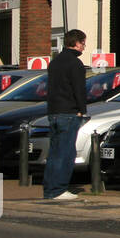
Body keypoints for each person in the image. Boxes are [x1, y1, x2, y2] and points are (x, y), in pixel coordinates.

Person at [43, 29, 88, 201]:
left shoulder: (55, 62)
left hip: (54, 111)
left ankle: (50, 188)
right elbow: (79, 89)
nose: (84, 46)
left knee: (54, 153)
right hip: (69, 112)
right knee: (66, 153)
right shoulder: (75, 64)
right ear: (76, 43)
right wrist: (82, 109)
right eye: (83, 43)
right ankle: (58, 189)